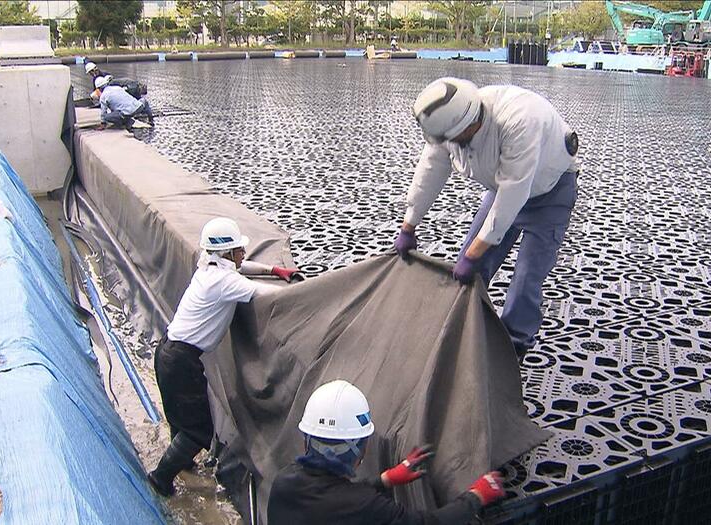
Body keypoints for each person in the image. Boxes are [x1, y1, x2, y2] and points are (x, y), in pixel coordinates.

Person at [394, 77, 579, 360]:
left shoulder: (519, 120)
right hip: (501, 186)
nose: (448, 145)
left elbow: (513, 193)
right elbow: (430, 169)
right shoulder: (448, 123)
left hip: (549, 191)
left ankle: (514, 346)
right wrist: (410, 223)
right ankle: (467, 324)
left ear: (467, 128)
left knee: (527, 276)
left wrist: (474, 253)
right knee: (473, 264)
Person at [147, 217, 297, 497]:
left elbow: (241, 269)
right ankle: (160, 478)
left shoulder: (209, 267)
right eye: (239, 249)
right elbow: (264, 293)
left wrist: (274, 268)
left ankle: (183, 463)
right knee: (199, 429)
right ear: (226, 253)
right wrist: (298, 289)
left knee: (180, 420)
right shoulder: (223, 282)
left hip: (168, 350)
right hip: (182, 360)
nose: (243, 253)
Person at [267, 379, 507, 524]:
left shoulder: (284, 482)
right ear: (361, 449)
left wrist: (385, 479)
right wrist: (476, 496)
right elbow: (428, 523)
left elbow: (333, 499)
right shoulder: (365, 506)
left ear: (306, 440)